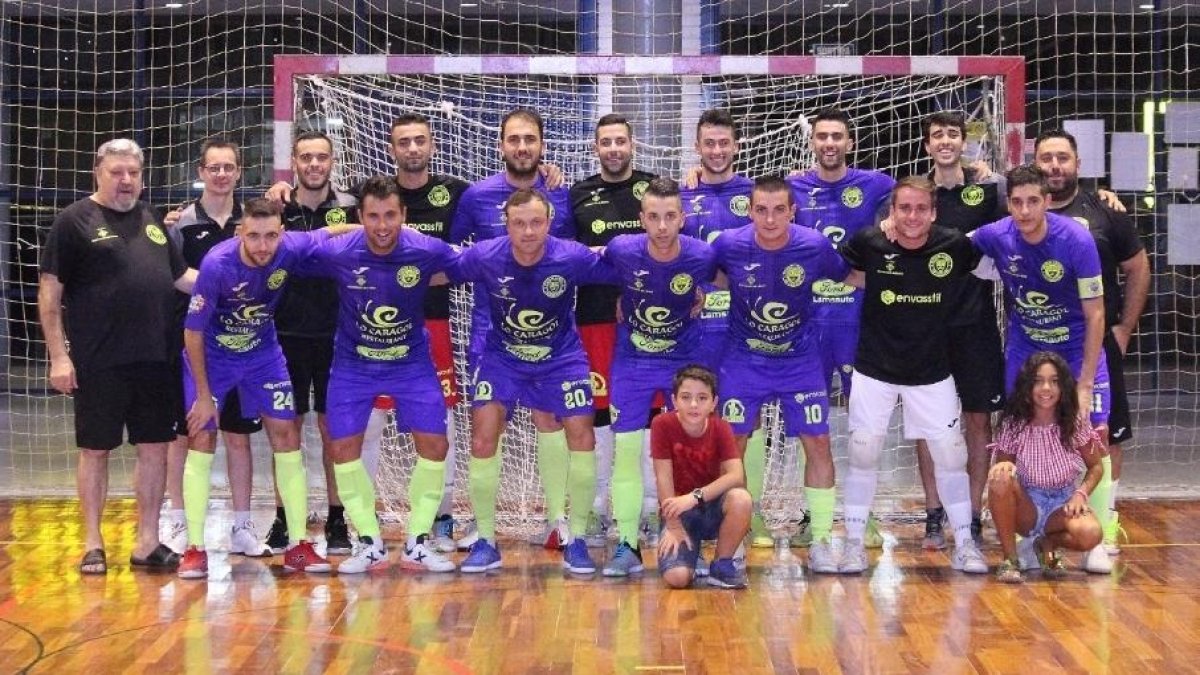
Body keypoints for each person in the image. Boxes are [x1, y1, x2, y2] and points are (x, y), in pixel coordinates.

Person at [38, 138, 196, 574]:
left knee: (154, 450)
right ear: (99, 172)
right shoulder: (73, 221)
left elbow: (181, 277)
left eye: (133, 173)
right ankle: (92, 543)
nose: (126, 181)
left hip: (154, 360)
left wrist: (239, 277)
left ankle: (147, 542)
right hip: (98, 361)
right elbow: (50, 294)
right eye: (117, 172)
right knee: (95, 450)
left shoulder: (152, 220)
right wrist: (59, 356)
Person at [296, 176, 460, 574]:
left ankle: (417, 542)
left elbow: (477, 263)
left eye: (391, 216)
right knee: (342, 448)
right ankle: (368, 541)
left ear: (404, 216)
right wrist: (342, 228)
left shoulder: (425, 249)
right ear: (360, 217)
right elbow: (287, 246)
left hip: (411, 363)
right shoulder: (340, 251)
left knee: (436, 446)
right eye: (373, 217)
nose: (383, 225)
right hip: (354, 365)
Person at [449, 188, 615, 575]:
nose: (527, 231)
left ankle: (575, 540)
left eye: (536, 222)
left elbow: (623, 267)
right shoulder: (486, 254)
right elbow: (438, 268)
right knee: (482, 434)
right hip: (501, 357)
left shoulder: (570, 255)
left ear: (549, 223)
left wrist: (685, 286)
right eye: (518, 223)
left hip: (561, 358)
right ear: (505, 224)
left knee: (582, 433)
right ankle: (487, 541)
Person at [176, 198, 342, 579]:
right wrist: (203, 396)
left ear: (282, 233)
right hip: (214, 361)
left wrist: (384, 232)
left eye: (270, 236)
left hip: (263, 356)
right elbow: (193, 332)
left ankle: (299, 545)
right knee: (201, 439)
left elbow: (332, 231)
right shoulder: (217, 266)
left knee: (287, 437)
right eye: (254, 236)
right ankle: (195, 548)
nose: (263, 245)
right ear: (240, 233)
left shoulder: (291, 248)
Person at [836, 176, 989, 574]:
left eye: (921, 208)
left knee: (951, 457)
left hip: (932, 372)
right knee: (863, 452)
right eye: (904, 208)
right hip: (875, 369)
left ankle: (967, 544)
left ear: (934, 213)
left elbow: (995, 258)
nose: (912, 216)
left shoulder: (954, 245)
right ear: (892, 212)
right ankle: (852, 544)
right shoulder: (870, 242)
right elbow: (841, 269)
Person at [971, 164, 1114, 574]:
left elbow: (1096, 312)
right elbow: (948, 242)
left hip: (1075, 352)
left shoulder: (1076, 239)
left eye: (1033, 201)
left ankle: (1093, 543)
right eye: (1017, 202)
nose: (1025, 210)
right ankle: (1020, 531)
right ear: (1008, 204)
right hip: (1026, 348)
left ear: (1047, 202)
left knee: (1096, 433)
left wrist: (1085, 382)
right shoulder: (997, 234)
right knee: (1013, 436)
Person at [448, 108, 576, 551]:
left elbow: (577, 256)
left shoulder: (562, 195)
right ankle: (482, 527)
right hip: (490, 337)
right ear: (501, 145)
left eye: (530, 139)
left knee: (549, 421)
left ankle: (559, 520)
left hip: (551, 340)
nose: (522, 147)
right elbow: (451, 255)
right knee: (485, 429)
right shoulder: (476, 197)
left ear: (542, 145)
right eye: (514, 139)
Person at [711, 176, 849, 574]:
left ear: (793, 211)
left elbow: (845, 276)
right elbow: (706, 274)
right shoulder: (730, 245)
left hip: (800, 361)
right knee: (732, 445)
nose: (769, 219)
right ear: (750, 211)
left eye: (778, 210)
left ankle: (821, 539)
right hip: (743, 360)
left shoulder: (814, 245)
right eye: (761, 210)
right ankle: (732, 540)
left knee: (819, 444)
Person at [785, 107, 895, 550]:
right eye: (822, 136)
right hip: (806, 328)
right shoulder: (792, 187)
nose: (829, 143)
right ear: (812, 141)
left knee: (863, 427)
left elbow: (923, 198)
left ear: (850, 143)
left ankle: (860, 514)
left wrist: (976, 166)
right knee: (811, 427)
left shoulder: (877, 185)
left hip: (858, 326)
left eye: (837, 137)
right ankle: (815, 512)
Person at [1036, 129, 1150, 556]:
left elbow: (1138, 268)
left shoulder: (1104, 210)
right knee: (1037, 429)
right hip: (1041, 345)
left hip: (1096, 343)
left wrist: (1124, 329)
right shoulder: (1022, 207)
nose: (1054, 166)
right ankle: (1038, 523)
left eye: (1062, 158)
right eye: (1046, 158)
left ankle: (1104, 522)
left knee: (1105, 434)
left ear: (1078, 165)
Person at [597, 177, 718, 576]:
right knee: (628, 450)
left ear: (683, 218)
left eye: (670, 217)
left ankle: (691, 541)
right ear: (641, 219)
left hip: (683, 362)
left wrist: (702, 299)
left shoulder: (702, 255)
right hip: (632, 362)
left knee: (688, 452)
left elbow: (734, 278)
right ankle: (627, 543)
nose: (662, 226)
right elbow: (590, 268)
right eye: (653, 217)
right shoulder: (622, 250)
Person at [163, 138, 270, 558]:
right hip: (195, 344)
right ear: (201, 172)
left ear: (239, 171)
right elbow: (173, 276)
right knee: (187, 436)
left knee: (238, 437)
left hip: (243, 345)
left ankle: (243, 528)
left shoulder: (251, 221)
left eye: (229, 167)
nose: (222, 174)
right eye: (214, 167)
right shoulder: (181, 223)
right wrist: (221, 289)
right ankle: (179, 524)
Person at [911, 112, 1008, 550]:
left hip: (976, 325)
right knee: (928, 425)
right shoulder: (916, 195)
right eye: (938, 135)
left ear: (963, 142)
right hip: (926, 326)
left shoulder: (988, 189)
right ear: (927, 145)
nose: (946, 141)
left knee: (976, 420)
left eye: (953, 134)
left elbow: (1032, 199)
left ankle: (970, 515)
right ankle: (934, 513)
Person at [266, 130, 359, 556]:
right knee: (286, 432)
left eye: (321, 157)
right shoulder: (276, 208)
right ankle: (286, 518)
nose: (314, 164)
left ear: (332, 162)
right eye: (306, 157)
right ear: (295, 162)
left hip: (337, 336)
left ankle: (337, 519)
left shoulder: (350, 207)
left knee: (332, 432)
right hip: (283, 337)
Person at [569, 113, 658, 548]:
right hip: (595, 318)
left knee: (649, 413)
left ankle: (650, 507)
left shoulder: (652, 188)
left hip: (650, 319)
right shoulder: (579, 194)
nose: (614, 149)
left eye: (621, 141)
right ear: (595, 148)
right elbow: (565, 253)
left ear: (632, 144)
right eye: (606, 142)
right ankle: (601, 507)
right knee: (600, 412)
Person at [987, 351, 1104, 583]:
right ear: (1027, 386)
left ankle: (1047, 543)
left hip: (1061, 505)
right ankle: (1010, 560)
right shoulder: (1014, 423)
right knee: (1000, 480)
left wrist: (1080, 495)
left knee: (1091, 534)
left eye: (1054, 381)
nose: (1046, 388)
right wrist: (1005, 466)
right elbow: (1003, 465)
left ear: (1063, 387)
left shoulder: (1075, 422)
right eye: (1038, 381)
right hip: (1028, 503)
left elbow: (1096, 467)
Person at [652, 365, 752, 589]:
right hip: (678, 512)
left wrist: (694, 496)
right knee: (677, 579)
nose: (694, 405)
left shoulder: (721, 427)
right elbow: (663, 478)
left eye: (702, 398)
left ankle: (721, 565)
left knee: (741, 498)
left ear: (714, 403)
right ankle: (690, 555)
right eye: (686, 397)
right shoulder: (662, 424)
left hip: (710, 507)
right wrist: (673, 526)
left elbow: (736, 475)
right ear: (674, 401)